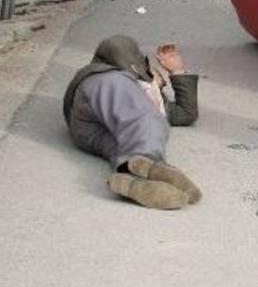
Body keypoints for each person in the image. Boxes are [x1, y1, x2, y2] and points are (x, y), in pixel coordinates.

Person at [63, 35, 201, 209]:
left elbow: (185, 114)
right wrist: (142, 78)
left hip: (90, 132)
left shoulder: (152, 96)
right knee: (146, 121)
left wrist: (177, 71)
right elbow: (115, 46)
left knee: (127, 144)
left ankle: (129, 177)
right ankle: (147, 163)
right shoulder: (109, 76)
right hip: (98, 96)